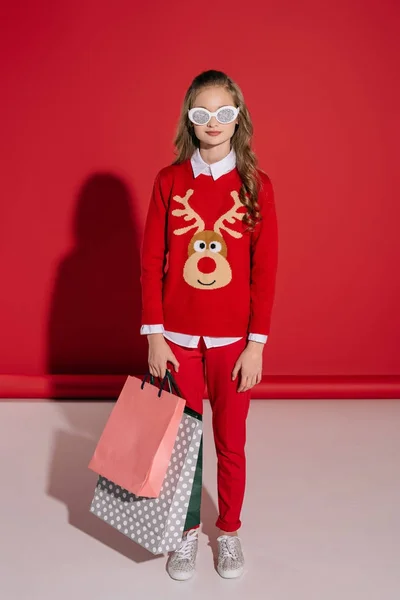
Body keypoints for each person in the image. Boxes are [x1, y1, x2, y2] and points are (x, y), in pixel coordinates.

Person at [140, 69, 279, 580]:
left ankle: (230, 531)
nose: (214, 123)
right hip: (176, 341)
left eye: (224, 113)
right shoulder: (168, 181)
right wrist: (155, 335)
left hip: (233, 344)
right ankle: (184, 535)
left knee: (230, 442)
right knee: (181, 444)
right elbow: (151, 259)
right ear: (190, 121)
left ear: (237, 118)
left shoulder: (256, 186)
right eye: (203, 114)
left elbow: (265, 271)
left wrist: (256, 345)